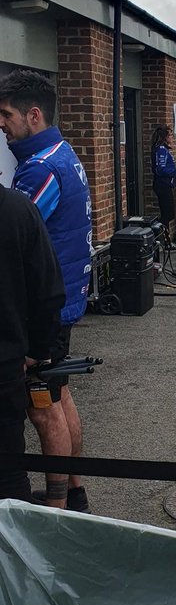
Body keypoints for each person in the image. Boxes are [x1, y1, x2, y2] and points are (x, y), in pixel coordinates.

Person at [0, 69, 92, 510]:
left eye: (6, 115)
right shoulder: (64, 152)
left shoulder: (38, 171)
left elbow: (14, 238)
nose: (1, 124)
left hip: (44, 310)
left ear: (33, 115)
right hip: (67, 299)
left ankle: (57, 512)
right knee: (60, 394)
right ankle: (74, 491)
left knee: (42, 408)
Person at [0, 186, 65, 502]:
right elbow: (48, 292)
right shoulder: (19, 211)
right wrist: (37, 352)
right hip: (5, 368)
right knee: (9, 473)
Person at [151, 124, 176, 250]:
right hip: (162, 185)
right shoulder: (161, 150)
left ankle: (165, 241)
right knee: (168, 214)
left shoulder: (164, 149)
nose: (172, 138)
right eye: (170, 135)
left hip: (166, 184)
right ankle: (161, 239)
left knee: (168, 213)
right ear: (164, 137)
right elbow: (161, 170)